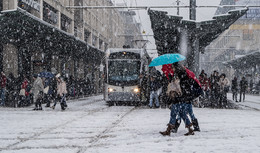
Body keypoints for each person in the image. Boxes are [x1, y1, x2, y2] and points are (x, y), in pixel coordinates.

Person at [160, 63, 200, 136]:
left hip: (178, 97)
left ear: (176, 68)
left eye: (173, 68)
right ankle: (190, 130)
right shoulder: (182, 75)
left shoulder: (180, 76)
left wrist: (172, 80)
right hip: (182, 97)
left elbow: (178, 85)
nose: (172, 69)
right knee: (182, 114)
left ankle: (168, 130)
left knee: (173, 114)